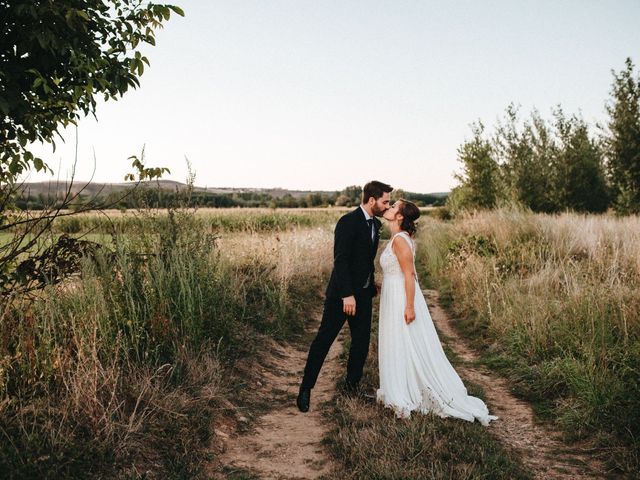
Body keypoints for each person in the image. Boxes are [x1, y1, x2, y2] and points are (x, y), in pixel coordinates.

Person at [376, 199, 498, 425]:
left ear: (400, 216)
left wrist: (410, 306)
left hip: (402, 297)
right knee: (398, 341)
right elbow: (396, 273)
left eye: (393, 207)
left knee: (406, 340)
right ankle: (400, 383)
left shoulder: (401, 240)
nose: (389, 208)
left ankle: (410, 390)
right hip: (393, 294)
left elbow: (410, 275)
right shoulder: (397, 238)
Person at [297, 181, 392, 412]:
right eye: (385, 201)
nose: (387, 205)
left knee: (360, 344)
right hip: (341, 296)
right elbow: (341, 260)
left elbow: (364, 260)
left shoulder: (376, 225)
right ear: (372, 200)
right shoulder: (348, 222)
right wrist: (347, 295)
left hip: (364, 295)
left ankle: (351, 388)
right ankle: (306, 388)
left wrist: (370, 282)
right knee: (324, 341)